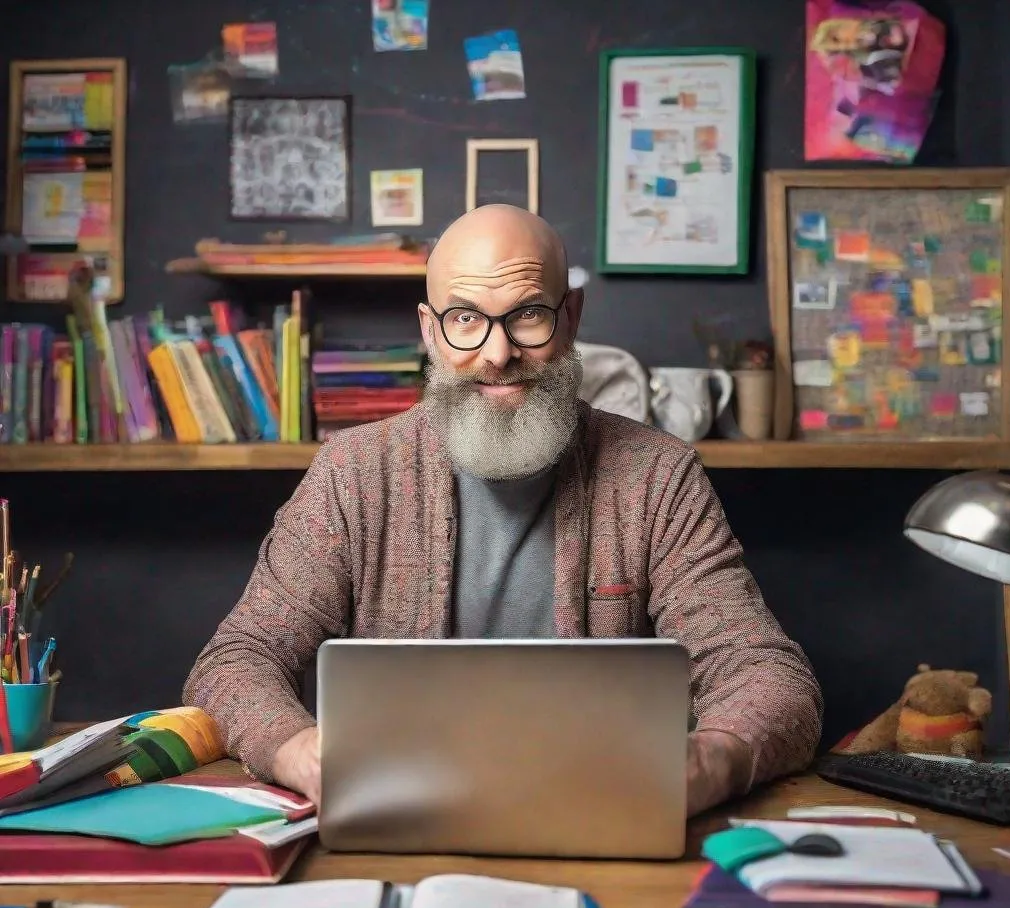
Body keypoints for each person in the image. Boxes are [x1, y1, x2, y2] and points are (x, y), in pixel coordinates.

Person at [183, 204, 823, 816]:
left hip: (600, 816)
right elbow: (234, 662)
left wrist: (708, 764)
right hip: (395, 816)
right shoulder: (352, 474)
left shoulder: (658, 478)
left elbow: (770, 675)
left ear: (571, 316)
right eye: (465, 318)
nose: (496, 353)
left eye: (527, 316)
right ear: (430, 329)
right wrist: (301, 753)